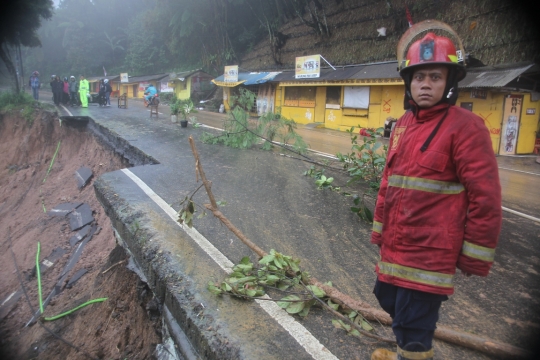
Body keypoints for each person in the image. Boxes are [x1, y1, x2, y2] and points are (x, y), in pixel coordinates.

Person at [370, 23, 502, 360]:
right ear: (408, 83)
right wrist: (380, 230)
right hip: (397, 246)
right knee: (387, 298)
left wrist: (475, 254)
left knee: (414, 327)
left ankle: (410, 353)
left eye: (435, 77)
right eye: (418, 77)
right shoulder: (402, 124)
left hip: (430, 254)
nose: (425, 84)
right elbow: (389, 182)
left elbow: (485, 196)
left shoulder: (467, 128)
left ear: (450, 83)